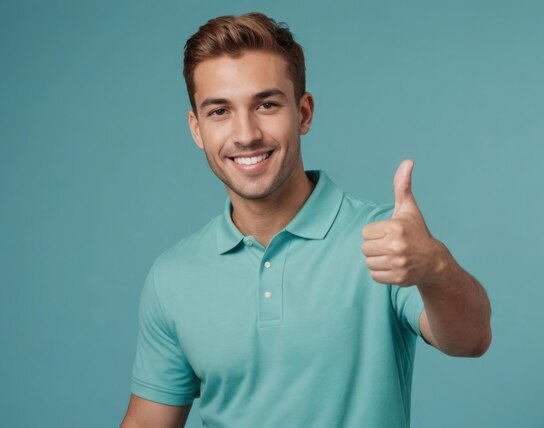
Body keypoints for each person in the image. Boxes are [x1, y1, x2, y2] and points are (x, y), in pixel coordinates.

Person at [120, 12, 491, 428]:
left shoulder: (386, 241)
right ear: (197, 129)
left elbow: (472, 339)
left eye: (266, 105)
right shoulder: (173, 276)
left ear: (304, 113)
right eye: (220, 111)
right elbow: (148, 421)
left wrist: (435, 267)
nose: (245, 134)